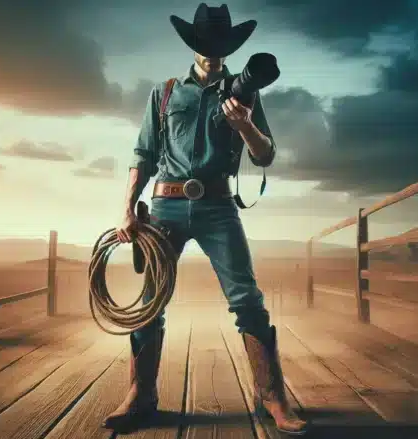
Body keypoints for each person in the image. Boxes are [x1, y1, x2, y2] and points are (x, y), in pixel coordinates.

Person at [104, 3, 307, 436]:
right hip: (166, 206)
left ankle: (271, 394)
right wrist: (126, 208)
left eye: (220, 47)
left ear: (228, 48)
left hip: (217, 206)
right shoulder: (164, 93)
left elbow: (265, 154)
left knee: (247, 299)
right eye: (205, 46)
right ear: (194, 46)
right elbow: (142, 154)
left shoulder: (246, 94)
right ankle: (141, 394)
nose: (213, 54)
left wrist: (247, 126)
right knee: (149, 301)